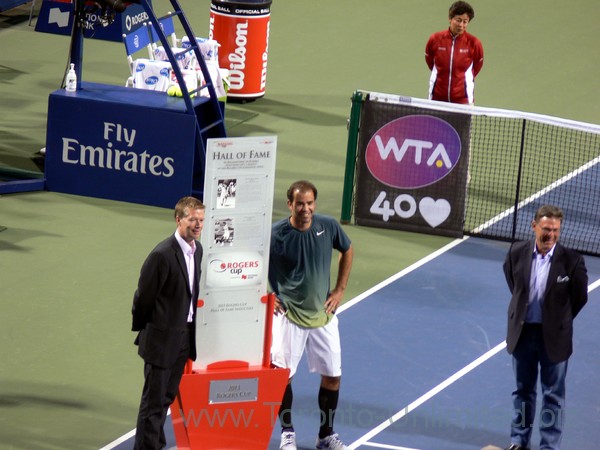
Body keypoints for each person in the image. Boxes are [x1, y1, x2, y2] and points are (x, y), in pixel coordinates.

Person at [269, 180, 354, 450]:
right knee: (282, 376)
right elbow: (252, 261)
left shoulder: (327, 226)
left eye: (309, 203)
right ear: (290, 204)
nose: (305, 208)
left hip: (323, 316)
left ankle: (325, 435)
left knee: (333, 376)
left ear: (314, 204)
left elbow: (347, 249)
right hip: (289, 316)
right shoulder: (276, 234)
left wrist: (339, 290)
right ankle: (287, 433)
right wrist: (265, 295)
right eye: (300, 204)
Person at [503, 205, 588, 450]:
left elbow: (579, 298)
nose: (550, 234)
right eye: (546, 229)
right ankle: (518, 441)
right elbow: (514, 284)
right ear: (534, 226)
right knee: (522, 392)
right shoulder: (516, 252)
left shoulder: (572, 261)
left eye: (555, 230)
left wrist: (557, 321)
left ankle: (549, 446)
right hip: (523, 334)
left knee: (553, 396)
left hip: (554, 338)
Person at [131, 196, 205, 450]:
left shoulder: (199, 251)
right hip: (161, 339)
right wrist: (149, 331)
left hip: (184, 336)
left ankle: (156, 444)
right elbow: (143, 298)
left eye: (201, 220)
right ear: (178, 219)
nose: (198, 225)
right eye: (192, 219)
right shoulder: (162, 255)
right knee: (152, 404)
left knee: (165, 399)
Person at [425, 1, 484, 104]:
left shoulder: (474, 43)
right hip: (437, 98)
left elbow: (477, 66)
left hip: (463, 101)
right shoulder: (435, 39)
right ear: (450, 19)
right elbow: (430, 60)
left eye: (465, 21)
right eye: (458, 20)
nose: (461, 25)